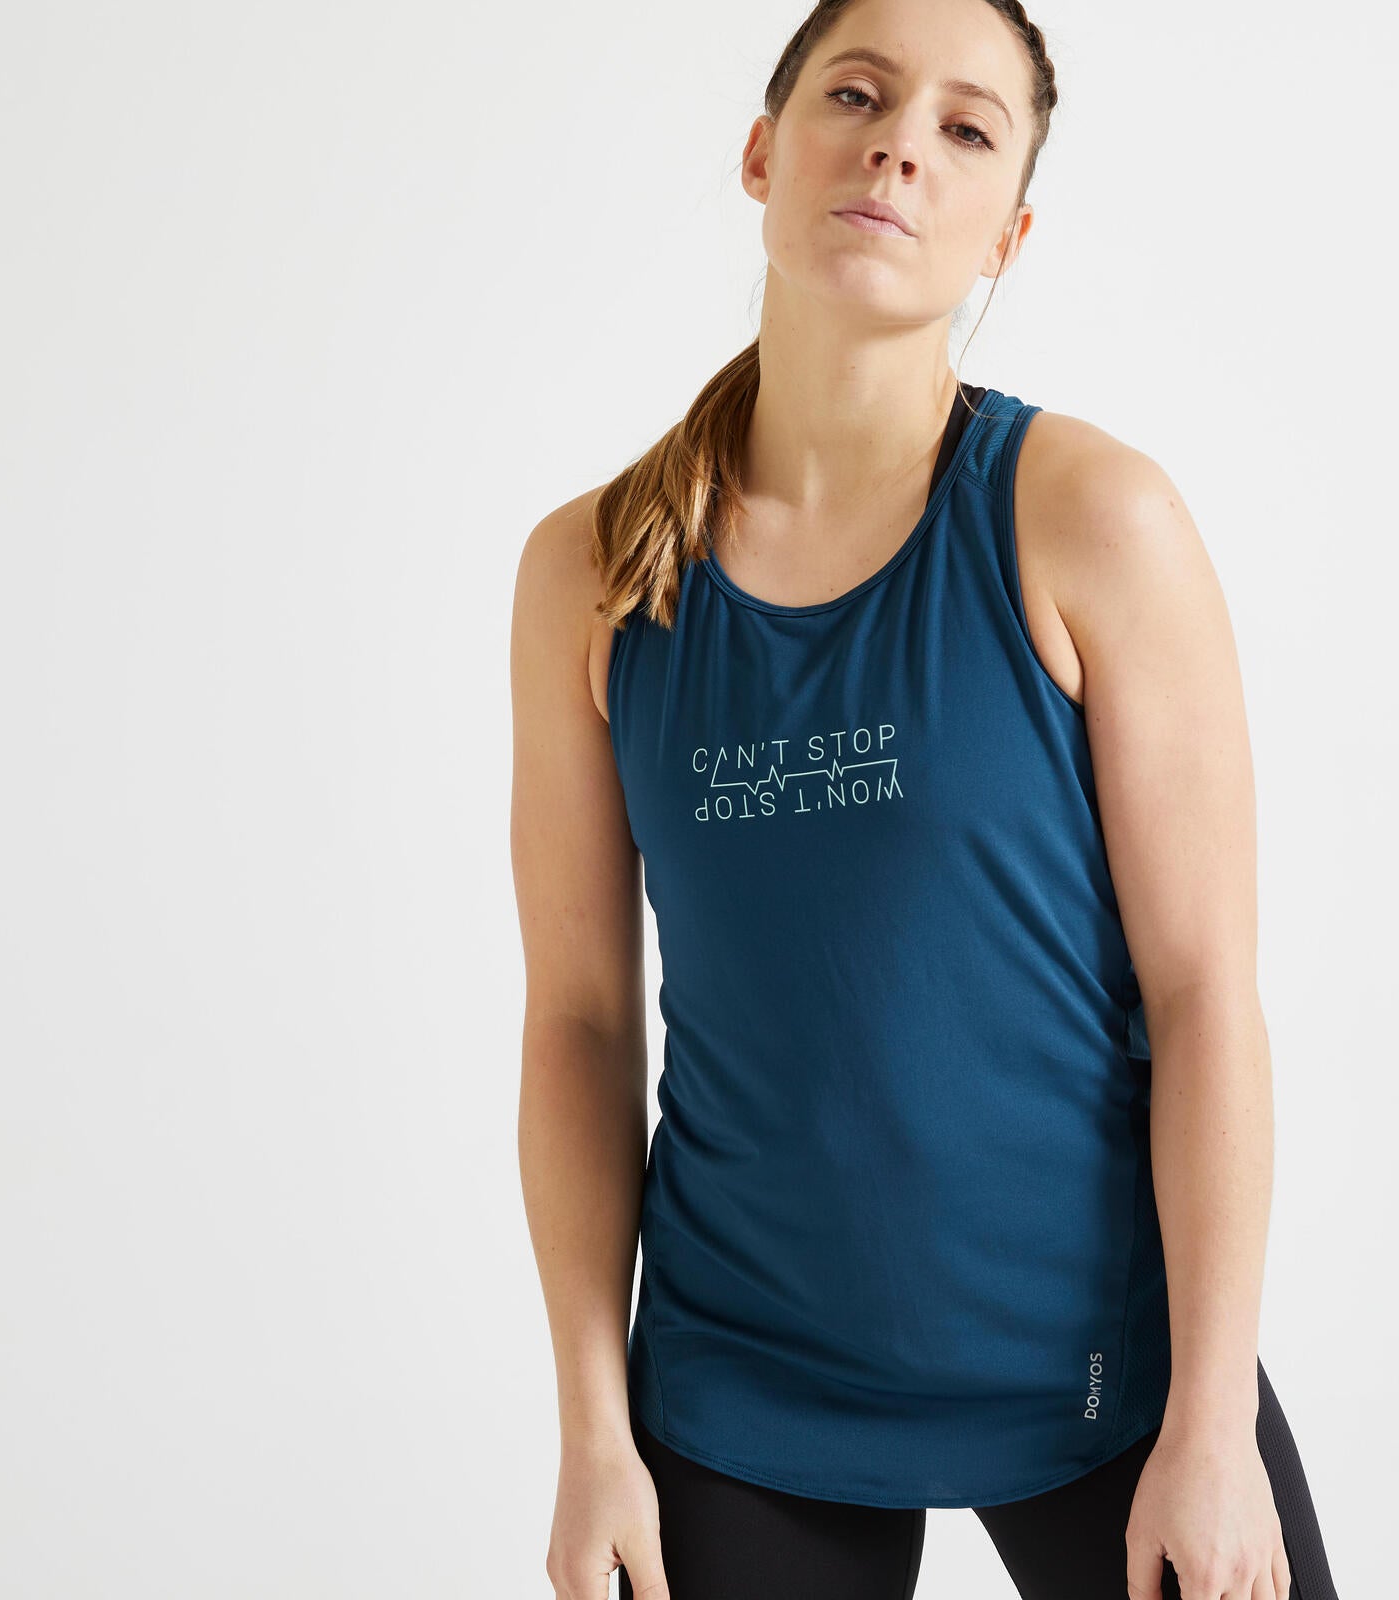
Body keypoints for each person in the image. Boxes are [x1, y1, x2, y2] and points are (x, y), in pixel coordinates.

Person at [509, 0, 1342, 1595]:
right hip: (741, 1384)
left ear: (1006, 235)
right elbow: (582, 1024)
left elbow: (1203, 994)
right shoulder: (593, 576)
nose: (899, 145)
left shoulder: (1091, 516)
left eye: (966, 129)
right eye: (858, 93)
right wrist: (594, 1431)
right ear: (763, 153)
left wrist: (1212, 1423)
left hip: (1103, 1375)